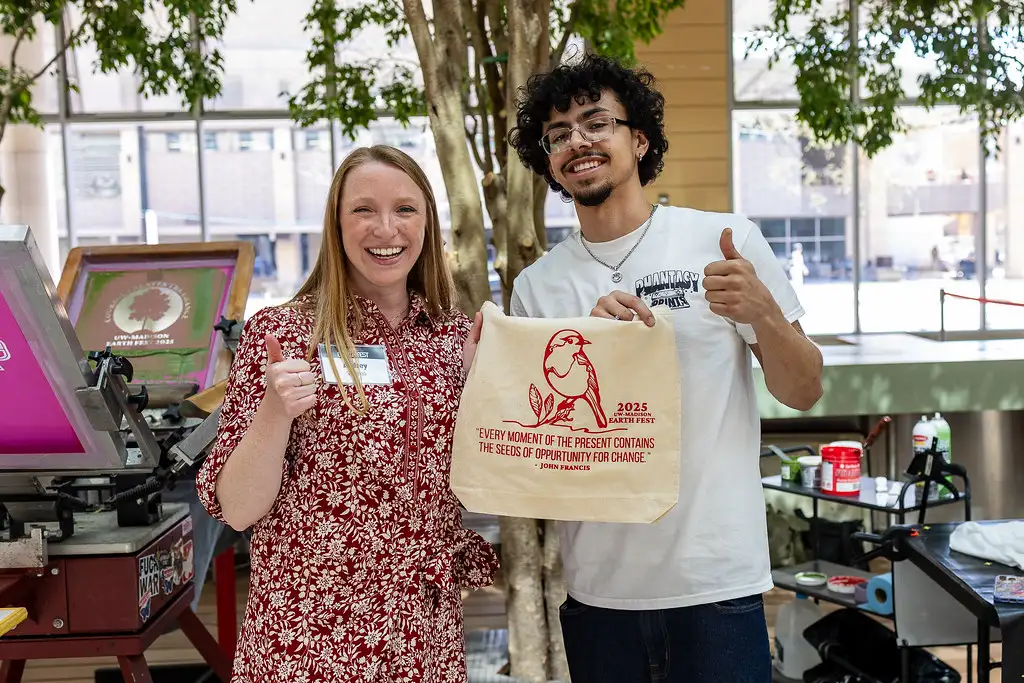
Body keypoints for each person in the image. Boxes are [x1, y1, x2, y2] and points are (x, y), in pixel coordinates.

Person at [506, 54, 824, 682]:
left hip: (717, 586)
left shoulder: (722, 239)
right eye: (559, 133)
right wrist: (588, 355)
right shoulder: (537, 287)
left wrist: (763, 313)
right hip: (600, 594)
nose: (578, 141)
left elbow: (805, 389)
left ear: (639, 138)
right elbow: (538, 461)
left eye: (596, 122)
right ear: (548, 160)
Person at [196, 145, 499, 683]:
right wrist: (274, 411)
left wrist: (484, 395)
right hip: (310, 639)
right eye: (364, 210)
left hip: (424, 641)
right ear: (337, 225)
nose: (387, 229)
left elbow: (494, 482)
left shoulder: (455, 339)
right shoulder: (285, 336)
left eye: (405, 209)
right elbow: (237, 508)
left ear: (427, 223)